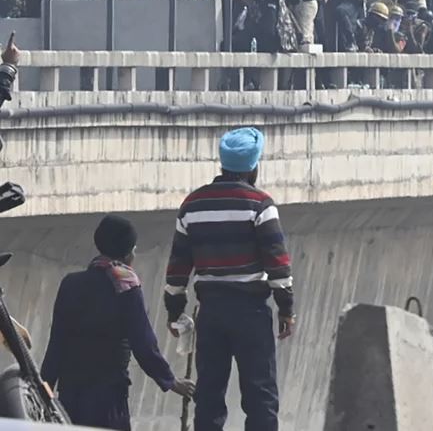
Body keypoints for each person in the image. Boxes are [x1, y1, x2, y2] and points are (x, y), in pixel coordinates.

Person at [165, 127, 295, 431]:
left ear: (223, 164)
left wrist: (174, 311)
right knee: (260, 396)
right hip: (251, 311)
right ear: (253, 167)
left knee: (209, 395)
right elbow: (278, 264)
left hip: (210, 312)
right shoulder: (261, 205)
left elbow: (178, 266)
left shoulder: (192, 205)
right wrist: (286, 309)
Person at [41, 215, 195, 430]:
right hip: (108, 399)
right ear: (127, 253)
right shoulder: (126, 287)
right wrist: (171, 381)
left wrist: (43, 392)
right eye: (133, 248)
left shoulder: (70, 284)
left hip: (71, 396)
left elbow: (56, 343)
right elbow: (143, 344)